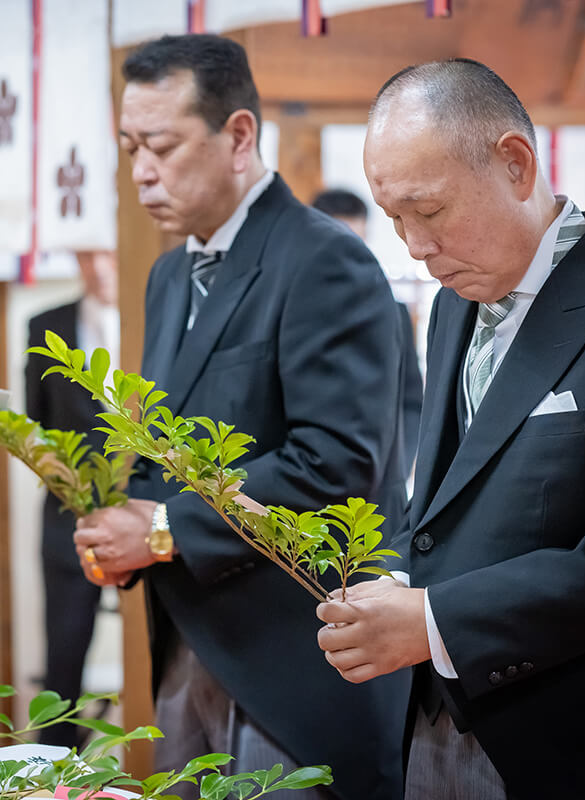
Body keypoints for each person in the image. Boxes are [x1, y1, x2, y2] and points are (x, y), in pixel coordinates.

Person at [315, 59, 585, 799]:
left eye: (429, 209)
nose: (414, 244)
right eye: (395, 218)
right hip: (441, 719)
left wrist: (435, 620)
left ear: (515, 164)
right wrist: (394, 584)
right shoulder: (452, 306)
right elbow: (448, 504)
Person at [73, 34, 410, 800]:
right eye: (130, 148)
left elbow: (336, 464)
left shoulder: (323, 259)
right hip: (188, 640)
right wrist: (122, 524)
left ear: (238, 136)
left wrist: (164, 528)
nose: (142, 171)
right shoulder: (170, 275)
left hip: (292, 661)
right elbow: (167, 447)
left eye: (162, 145)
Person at [25, 250, 120, 747]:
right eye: (87, 256)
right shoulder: (46, 326)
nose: (99, 268)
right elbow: (35, 424)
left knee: (161, 651)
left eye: (109, 254)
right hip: (69, 518)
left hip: (151, 515)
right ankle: (53, 764)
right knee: (63, 653)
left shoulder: (158, 316)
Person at [313, 188, 424, 471]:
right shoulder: (286, 314)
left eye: (358, 242)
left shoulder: (393, 312)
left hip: (381, 475)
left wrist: (400, 464)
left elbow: (411, 398)